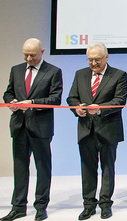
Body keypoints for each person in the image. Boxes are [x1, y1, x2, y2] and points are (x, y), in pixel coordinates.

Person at [1, 38, 63, 221]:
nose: (28, 58)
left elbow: (55, 99)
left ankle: (41, 206)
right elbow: (8, 92)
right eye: (25, 54)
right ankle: (18, 207)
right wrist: (10, 102)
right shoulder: (16, 70)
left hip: (40, 127)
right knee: (20, 167)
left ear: (42, 52)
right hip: (19, 125)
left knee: (42, 167)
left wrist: (32, 103)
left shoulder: (53, 72)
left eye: (32, 55)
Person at [67, 42, 127, 220]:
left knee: (108, 168)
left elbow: (120, 101)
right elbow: (72, 97)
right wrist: (76, 108)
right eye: (90, 60)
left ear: (106, 57)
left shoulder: (118, 75)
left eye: (97, 60)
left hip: (108, 129)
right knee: (87, 169)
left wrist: (100, 108)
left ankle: (105, 205)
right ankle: (88, 205)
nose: (94, 63)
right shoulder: (80, 75)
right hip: (86, 129)